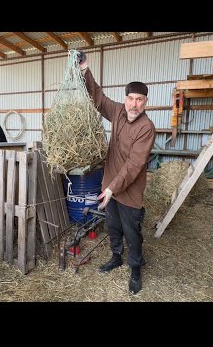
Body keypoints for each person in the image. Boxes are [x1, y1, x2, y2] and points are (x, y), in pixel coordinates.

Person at [76, 50, 155, 294]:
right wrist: (84, 70)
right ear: (125, 99)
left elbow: (134, 165)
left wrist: (111, 188)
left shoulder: (146, 128)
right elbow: (98, 98)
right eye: (130, 98)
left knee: (132, 232)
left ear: (145, 102)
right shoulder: (118, 111)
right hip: (109, 185)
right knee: (113, 226)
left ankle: (135, 268)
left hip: (129, 191)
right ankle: (116, 257)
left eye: (139, 99)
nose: (134, 104)